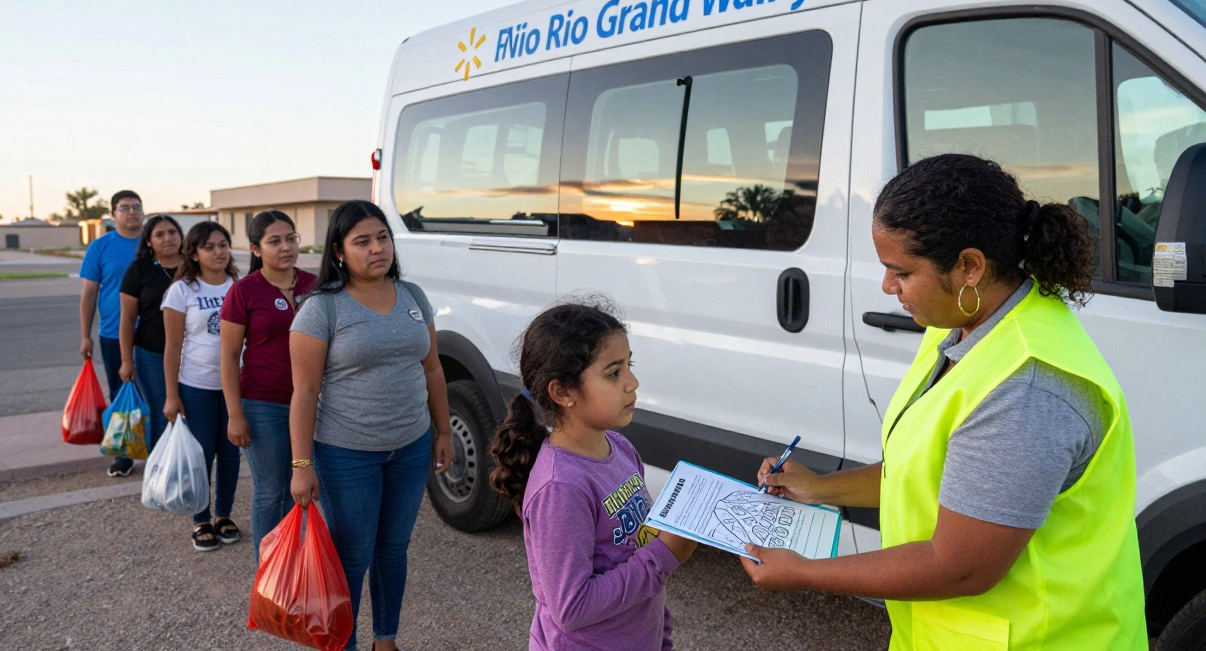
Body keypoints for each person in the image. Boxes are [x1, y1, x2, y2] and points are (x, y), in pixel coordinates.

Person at [740, 154, 1144, 650]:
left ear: (969, 266)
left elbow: (960, 568)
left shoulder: (1026, 389)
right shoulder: (961, 327)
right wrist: (823, 488)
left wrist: (807, 572)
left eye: (900, 271)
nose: (888, 287)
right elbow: (929, 474)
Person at [288, 200, 453, 651]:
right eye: (362, 241)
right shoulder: (322, 310)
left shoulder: (414, 296)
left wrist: (442, 431)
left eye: (383, 237)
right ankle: (345, 643)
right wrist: (302, 464)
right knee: (352, 557)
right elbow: (303, 393)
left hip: (411, 446)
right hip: (346, 454)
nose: (377, 248)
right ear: (339, 251)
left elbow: (433, 368)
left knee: (393, 551)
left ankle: (386, 640)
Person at [489, 301, 697, 651]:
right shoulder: (561, 487)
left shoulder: (620, 448)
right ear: (563, 392)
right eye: (613, 373)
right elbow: (572, 608)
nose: (632, 383)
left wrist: (660, 636)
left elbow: (636, 552)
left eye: (629, 365)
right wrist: (664, 555)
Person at [220, 210, 316, 560]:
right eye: (274, 241)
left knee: (311, 485)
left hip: (314, 405)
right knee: (273, 489)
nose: (286, 247)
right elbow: (229, 357)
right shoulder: (244, 292)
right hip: (264, 406)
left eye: (291, 238)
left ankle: (305, 561)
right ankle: (271, 569)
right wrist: (235, 414)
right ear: (256, 249)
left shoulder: (315, 285)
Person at [160, 221, 241, 553]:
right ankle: (201, 517)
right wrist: (171, 394)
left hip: (236, 386)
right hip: (197, 386)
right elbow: (172, 346)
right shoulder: (182, 291)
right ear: (193, 253)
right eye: (210, 247)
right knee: (202, 455)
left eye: (223, 244)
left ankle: (224, 514)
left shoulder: (240, 285)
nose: (219, 252)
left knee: (231, 452)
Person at [79, 190, 145, 477]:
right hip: (113, 335)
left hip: (157, 333)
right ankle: (124, 454)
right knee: (121, 394)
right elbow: (90, 293)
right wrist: (85, 335)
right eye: (124, 208)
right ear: (113, 214)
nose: (131, 212)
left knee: (160, 392)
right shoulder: (100, 247)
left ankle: (159, 451)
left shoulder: (155, 242)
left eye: (136, 206)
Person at [119, 214, 183, 452]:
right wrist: (126, 361)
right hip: (152, 355)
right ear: (148, 241)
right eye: (159, 234)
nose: (168, 238)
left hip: (191, 357)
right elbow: (126, 319)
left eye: (173, 232)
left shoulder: (195, 267)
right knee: (161, 412)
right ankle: (160, 475)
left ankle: (186, 471)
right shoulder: (139, 270)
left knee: (190, 413)